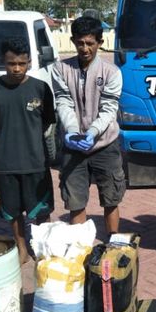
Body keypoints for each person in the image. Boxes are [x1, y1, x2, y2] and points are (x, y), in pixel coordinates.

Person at [0, 37, 56, 263]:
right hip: (6, 163)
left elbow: (46, 122)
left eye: (22, 63)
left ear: (29, 62)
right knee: (13, 212)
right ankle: (21, 247)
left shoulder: (41, 89)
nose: (16, 68)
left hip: (36, 161)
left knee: (42, 211)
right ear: (2, 62)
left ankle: (42, 247)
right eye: (11, 63)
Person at [52, 15, 125, 239]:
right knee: (75, 201)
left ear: (100, 43)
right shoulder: (60, 69)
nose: (85, 49)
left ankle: (112, 243)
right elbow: (63, 101)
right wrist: (73, 131)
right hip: (73, 147)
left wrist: (93, 132)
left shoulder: (112, 72)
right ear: (73, 41)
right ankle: (79, 249)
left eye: (90, 43)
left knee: (111, 199)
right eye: (80, 43)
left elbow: (109, 108)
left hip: (105, 144)